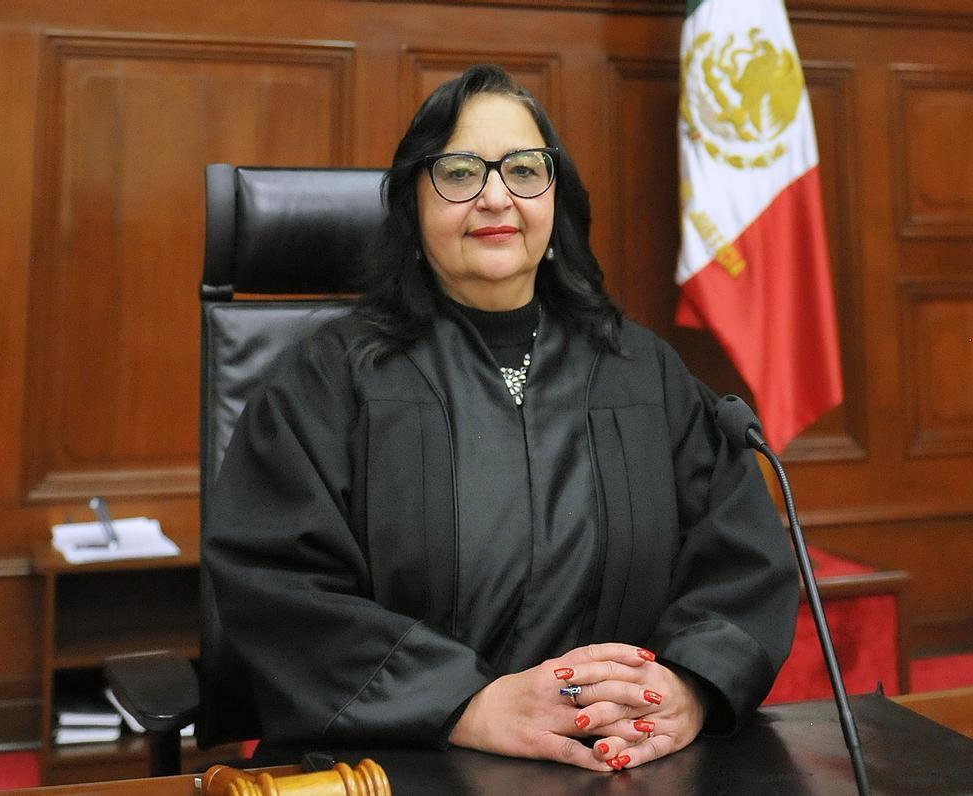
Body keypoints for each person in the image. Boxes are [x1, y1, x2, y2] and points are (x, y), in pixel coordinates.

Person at [205, 64, 797, 773]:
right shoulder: (326, 382)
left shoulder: (645, 374)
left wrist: (688, 688)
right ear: (413, 203)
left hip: (623, 763)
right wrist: (468, 705)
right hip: (400, 762)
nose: (495, 196)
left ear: (555, 197)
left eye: (523, 170)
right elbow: (277, 587)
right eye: (459, 173)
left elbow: (741, 563)